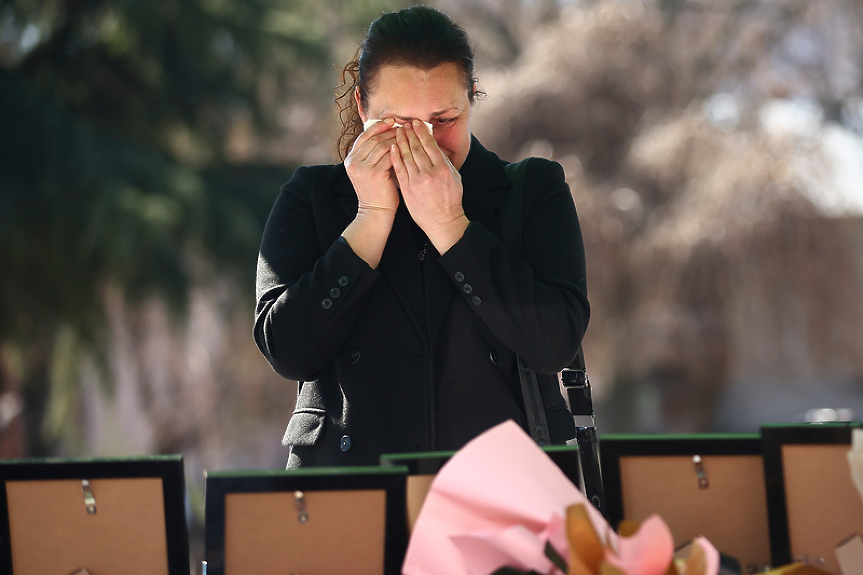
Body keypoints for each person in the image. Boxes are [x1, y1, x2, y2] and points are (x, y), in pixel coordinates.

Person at [254, 5, 589, 468]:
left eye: (444, 119)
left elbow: (555, 343)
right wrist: (370, 219)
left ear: (471, 97)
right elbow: (287, 350)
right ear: (362, 106)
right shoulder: (313, 196)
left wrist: (452, 227)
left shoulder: (532, 190)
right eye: (399, 124)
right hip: (351, 486)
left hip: (502, 485)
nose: (425, 142)